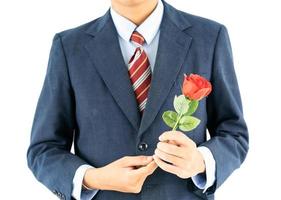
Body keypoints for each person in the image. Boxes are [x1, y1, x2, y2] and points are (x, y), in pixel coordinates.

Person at [27, 0, 249, 199]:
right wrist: (95, 178)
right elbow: (44, 149)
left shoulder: (209, 37)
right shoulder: (69, 47)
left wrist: (201, 162)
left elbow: (233, 132)